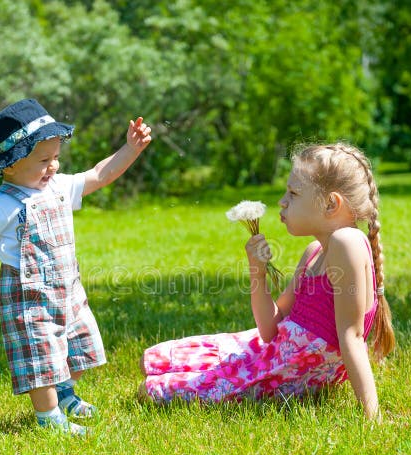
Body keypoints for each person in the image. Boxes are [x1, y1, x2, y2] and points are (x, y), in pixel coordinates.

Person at [0, 98, 152, 435]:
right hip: (28, 298)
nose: (53, 166)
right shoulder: (0, 202)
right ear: (11, 165)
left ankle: (65, 392)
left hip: (67, 290)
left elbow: (99, 175)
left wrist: (130, 149)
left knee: (80, 348)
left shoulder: (58, 187)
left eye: (56, 157)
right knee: (40, 358)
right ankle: (49, 419)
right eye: (44, 160)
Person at [139, 142, 394, 419]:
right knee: (152, 359)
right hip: (269, 351)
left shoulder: (347, 241)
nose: (282, 202)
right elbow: (270, 329)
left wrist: (372, 417)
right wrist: (257, 273)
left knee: (149, 391)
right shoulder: (314, 253)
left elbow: (352, 336)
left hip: (281, 371)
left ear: (331, 203)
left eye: (293, 193)